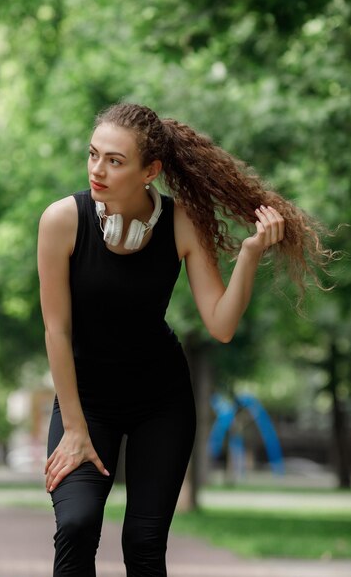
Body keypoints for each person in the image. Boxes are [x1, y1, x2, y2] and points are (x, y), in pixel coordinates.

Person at [37, 102, 331, 576]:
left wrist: (251, 254)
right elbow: (57, 328)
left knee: (144, 542)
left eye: (115, 160)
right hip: (85, 402)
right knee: (76, 523)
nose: (98, 169)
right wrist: (74, 429)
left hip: (161, 402)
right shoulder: (61, 221)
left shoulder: (180, 223)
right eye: (93, 155)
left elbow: (220, 324)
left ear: (150, 170)